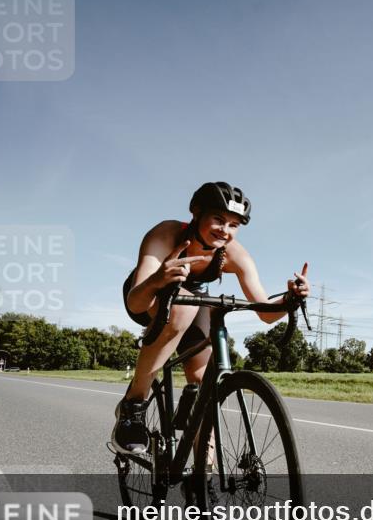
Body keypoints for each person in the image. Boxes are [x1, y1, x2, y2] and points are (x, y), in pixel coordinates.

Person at [112, 181, 310, 455]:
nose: (225, 231)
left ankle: (202, 472)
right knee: (184, 309)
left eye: (233, 225)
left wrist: (290, 300)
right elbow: (136, 302)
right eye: (218, 219)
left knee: (203, 377)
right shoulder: (166, 234)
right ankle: (133, 407)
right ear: (196, 212)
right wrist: (158, 279)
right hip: (149, 290)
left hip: (191, 299)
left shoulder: (235, 254)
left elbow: (265, 312)